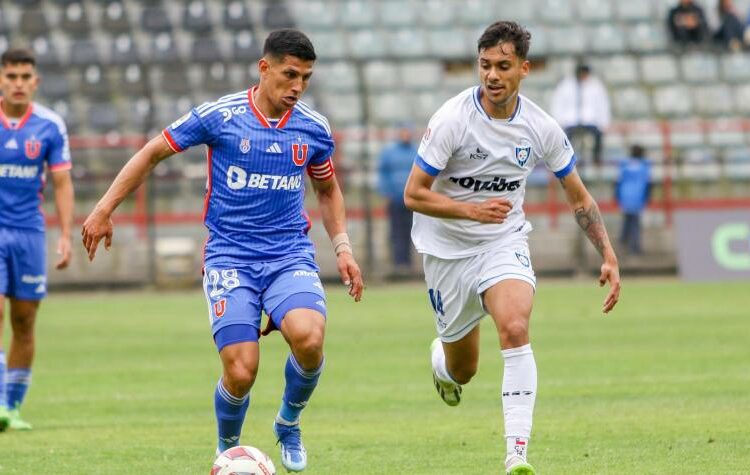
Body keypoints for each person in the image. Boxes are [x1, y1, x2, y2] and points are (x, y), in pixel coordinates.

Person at [81, 29, 363, 472]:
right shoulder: (221, 117)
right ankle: (227, 450)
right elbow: (154, 152)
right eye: (290, 75)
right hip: (230, 256)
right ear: (263, 67)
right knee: (241, 369)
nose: (297, 87)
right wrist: (103, 208)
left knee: (309, 338)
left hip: (289, 253)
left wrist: (342, 246)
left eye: (306, 78)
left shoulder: (313, 128)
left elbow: (328, 190)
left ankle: (288, 422)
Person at [403, 21, 621, 475]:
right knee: (464, 370)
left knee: (516, 326)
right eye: (485, 65)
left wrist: (608, 254)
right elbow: (413, 194)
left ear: (524, 69)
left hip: (503, 242)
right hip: (445, 254)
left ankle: (516, 455)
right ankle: (442, 363)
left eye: (503, 66)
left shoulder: (540, 126)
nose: (492, 76)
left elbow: (578, 196)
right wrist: (472, 211)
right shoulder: (452, 119)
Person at [0, 48, 74, 431]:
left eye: (24, 76)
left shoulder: (49, 125)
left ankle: (10, 409)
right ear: (1, 79)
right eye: (11, 76)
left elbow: (61, 182)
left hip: (29, 231)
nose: (18, 83)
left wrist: (64, 234)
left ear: (35, 82)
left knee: (24, 321)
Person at [549, 61, 610, 167]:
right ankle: (567, 162)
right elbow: (557, 104)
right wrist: (559, 122)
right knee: (565, 140)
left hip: (590, 120)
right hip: (570, 121)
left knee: (598, 136)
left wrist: (603, 123)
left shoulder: (595, 85)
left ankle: (596, 161)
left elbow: (603, 104)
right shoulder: (566, 85)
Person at [377, 123, 418, 276]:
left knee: (411, 231)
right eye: (404, 132)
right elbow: (383, 174)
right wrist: (386, 192)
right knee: (396, 232)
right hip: (395, 199)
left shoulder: (417, 151)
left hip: (413, 200)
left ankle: (408, 264)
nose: (406, 135)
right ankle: (397, 264)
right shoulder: (389, 153)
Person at [615, 145, 651, 256]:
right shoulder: (644, 165)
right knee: (635, 223)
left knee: (627, 220)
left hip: (625, 195)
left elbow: (618, 181)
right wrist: (647, 197)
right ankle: (634, 248)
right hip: (638, 196)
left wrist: (617, 196)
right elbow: (648, 183)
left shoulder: (624, 164)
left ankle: (622, 242)